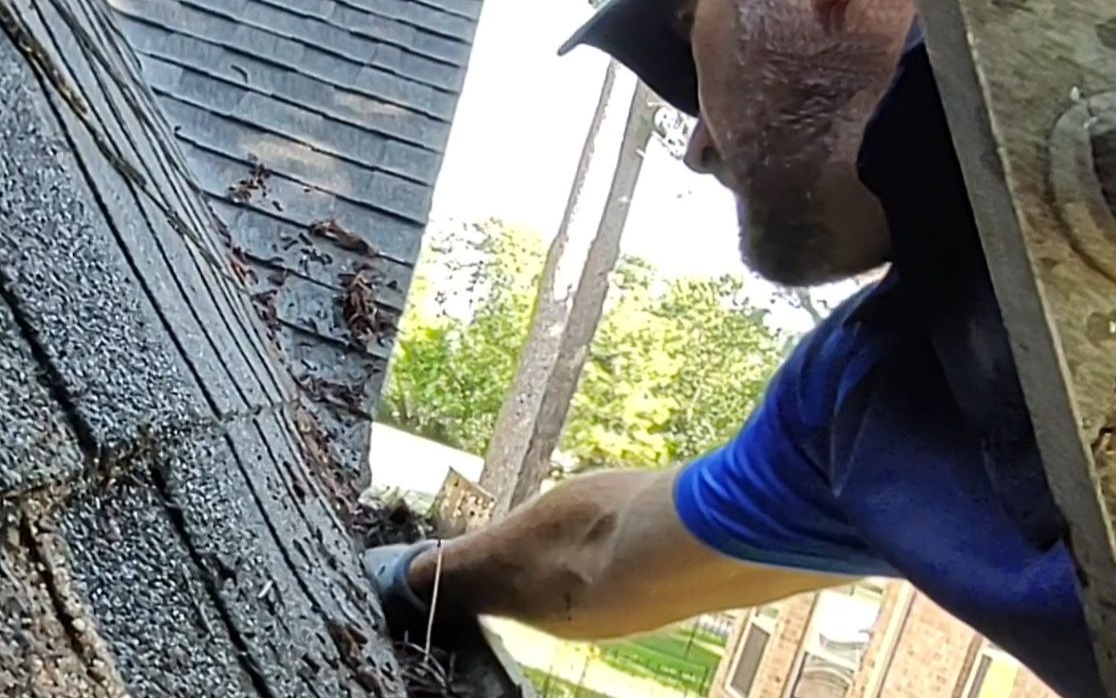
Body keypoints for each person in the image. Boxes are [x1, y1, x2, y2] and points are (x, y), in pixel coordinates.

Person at [364, 0, 1103, 696]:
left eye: (692, 29)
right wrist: (413, 578)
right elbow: (595, 550)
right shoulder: (866, 400)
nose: (697, 145)